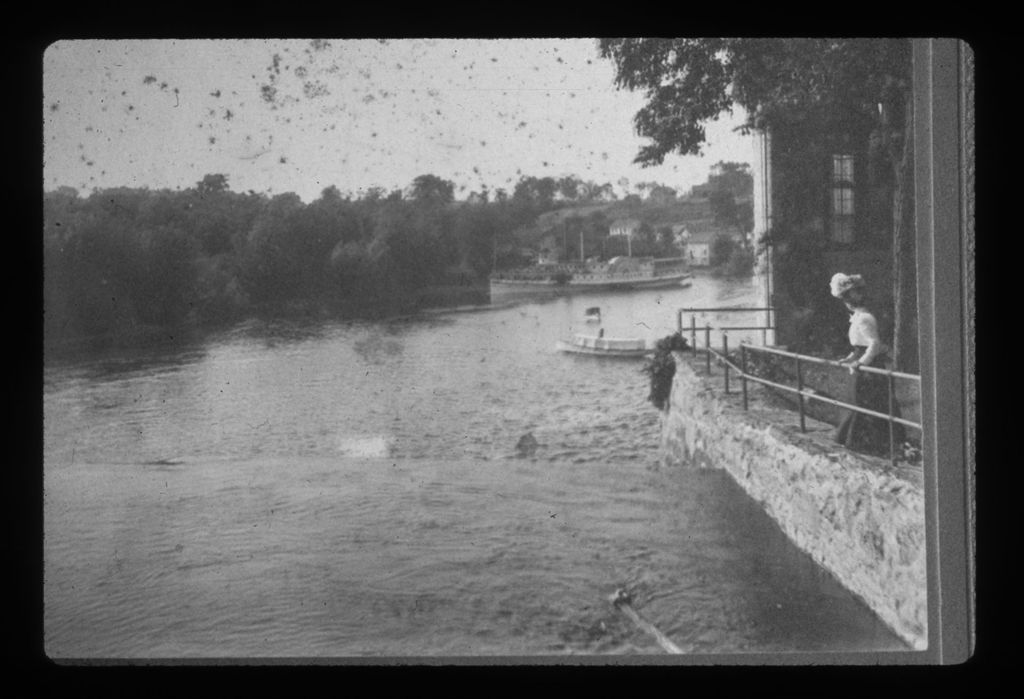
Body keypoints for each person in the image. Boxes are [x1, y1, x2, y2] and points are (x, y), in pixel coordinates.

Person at [829, 273, 905, 457]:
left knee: (867, 401)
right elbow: (858, 345)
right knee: (855, 399)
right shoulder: (857, 316)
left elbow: (874, 344)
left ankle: (874, 442)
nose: (846, 302)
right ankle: (852, 437)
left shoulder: (865, 318)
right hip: (859, 363)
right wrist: (849, 358)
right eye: (844, 298)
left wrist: (861, 363)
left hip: (869, 365)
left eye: (849, 297)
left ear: (858, 297)